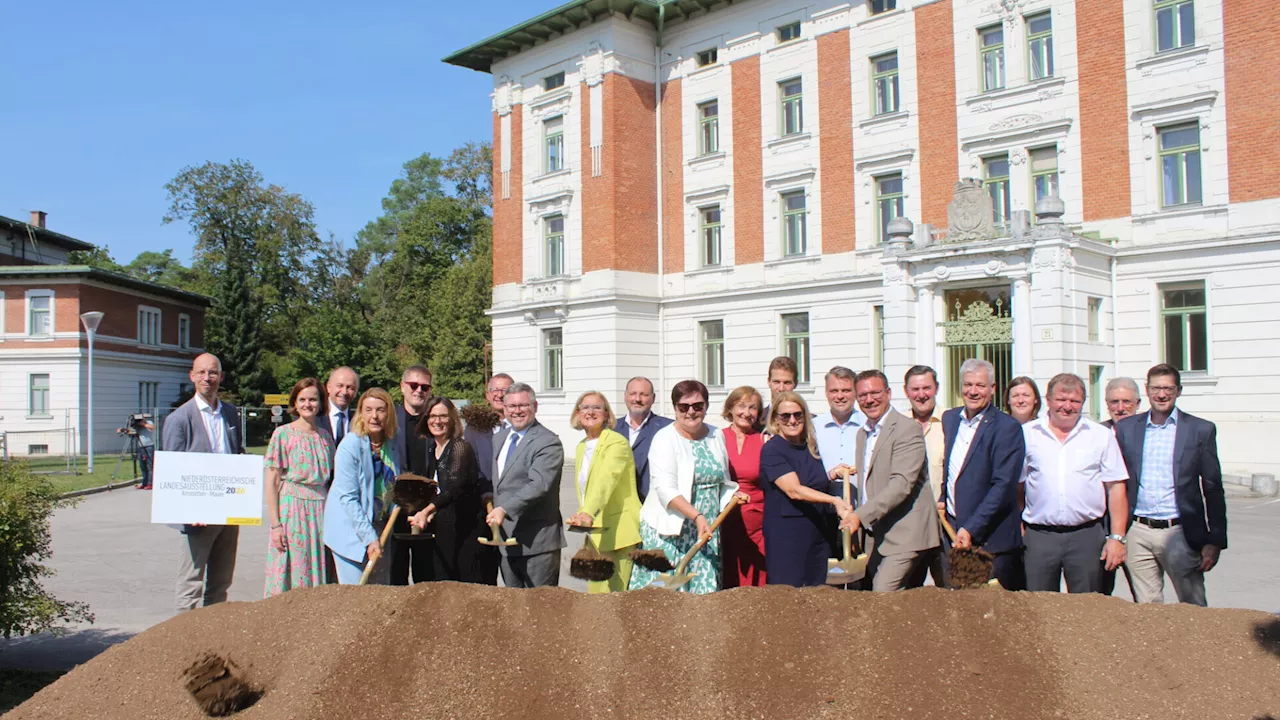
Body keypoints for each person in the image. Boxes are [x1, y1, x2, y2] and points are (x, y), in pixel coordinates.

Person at [1115, 364, 1227, 606]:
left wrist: (1214, 540)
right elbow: (1117, 484)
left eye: (1168, 388)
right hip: (1138, 531)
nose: (1162, 394)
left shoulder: (1200, 430)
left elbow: (1213, 488)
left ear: (1178, 391)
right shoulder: (1126, 429)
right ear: (1146, 390)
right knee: (1148, 610)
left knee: (1193, 608)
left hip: (1180, 532)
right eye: (1156, 388)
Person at [630, 380, 743, 593]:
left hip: (706, 528)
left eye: (698, 406)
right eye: (684, 407)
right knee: (665, 595)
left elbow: (721, 480)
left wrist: (733, 494)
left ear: (706, 407)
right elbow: (665, 490)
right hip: (670, 529)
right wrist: (696, 516)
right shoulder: (665, 438)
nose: (691, 412)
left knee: (702, 593)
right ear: (675, 408)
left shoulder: (715, 435)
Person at [1020, 373, 1128, 594]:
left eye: (1075, 401)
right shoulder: (1027, 434)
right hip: (1040, 537)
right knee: (1039, 608)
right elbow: (1018, 485)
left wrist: (1117, 538)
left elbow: (1116, 488)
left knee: (1087, 610)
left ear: (1083, 403)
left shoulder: (1101, 435)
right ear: (1048, 400)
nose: (1067, 407)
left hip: (1086, 537)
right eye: (1061, 399)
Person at [838, 370, 941, 592]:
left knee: (883, 593)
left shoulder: (907, 429)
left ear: (888, 393)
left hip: (907, 531)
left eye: (875, 393)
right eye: (863, 395)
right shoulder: (862, 434)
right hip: (877, 533)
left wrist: (860, 516)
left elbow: (901, 484)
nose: (869, 399)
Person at [162, 353, 246, 611]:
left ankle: (212, 639)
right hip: (197, 516)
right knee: (190, 585)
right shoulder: (179, 419)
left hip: (229, 512)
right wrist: (187, 512)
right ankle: (184, 644)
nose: (207, 378)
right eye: (201, 373)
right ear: (192, 376)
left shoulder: (231, 414)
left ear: (221, 377)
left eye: (212, 373)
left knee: (220, 584)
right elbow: (171, 470)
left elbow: (237, 455)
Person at [939, 359, 1027, 591]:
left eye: (980, 385)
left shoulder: (1007, 428)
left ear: (993, 389)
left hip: (991, 540)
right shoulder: (950, 419)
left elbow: (1003, 486)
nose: (973, 391)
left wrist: (971, 528)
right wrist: (943, 499)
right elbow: (951, 469)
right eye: (968, 385)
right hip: (954, 534)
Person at [760, 392, 850, 587]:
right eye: (785, 416)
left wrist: (830, 475)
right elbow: (794, 490)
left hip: (818, 533)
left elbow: (809, 481)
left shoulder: (809, 446)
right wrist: (834, 500)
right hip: (788, 537)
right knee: (790, 597)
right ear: (776, 419)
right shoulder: (772, 450)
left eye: (798, 415)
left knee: (819, 595)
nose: (792, 420)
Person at [488, 383, 566, 588]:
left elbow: (539, 484)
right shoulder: (499, 438)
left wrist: (505, 508)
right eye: (512, 406)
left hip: (538, 542)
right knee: (513, 608)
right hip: (506, 539)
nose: (517, 411)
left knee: (540, 610)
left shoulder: (548, 442)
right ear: (504, 409)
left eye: (523, 405)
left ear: (535, 406)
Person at [263, 378, 335, 596]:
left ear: (321, 403)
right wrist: (276, 525)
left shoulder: (325, 437)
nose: (307, 404)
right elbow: (272, 480)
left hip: (320, 510)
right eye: (302, 399)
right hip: (292, 509)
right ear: (295, 403)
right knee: (294, 565)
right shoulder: (283, 434)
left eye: (312, 399)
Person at [408, 397, 490, 583]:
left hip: (465, 531)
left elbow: (453, 487)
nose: (437, 421)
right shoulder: (432, 449)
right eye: (433, 416)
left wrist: (427, 510)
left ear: (452, 419)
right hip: (443, 529)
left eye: (443, 416)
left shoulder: (460, 447)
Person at [567, 391, 642, 593]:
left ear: (607, 414)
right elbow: (587, 489)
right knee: (597, 600)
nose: (590, 412)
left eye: (597, 407)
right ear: (577, 413)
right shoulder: (582, 447)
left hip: (618, 532)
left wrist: (587, 513)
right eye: (585, 407)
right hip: (595, 533)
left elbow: (605, 481)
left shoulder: (616, 443)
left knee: (617, 600)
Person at [324, 388, 400, 585]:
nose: (374, 416)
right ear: (361, 413)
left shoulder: (391, 443)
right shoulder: (350, 446)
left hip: (380, 527)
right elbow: (348, 499)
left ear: (389, 413)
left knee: (379, 596)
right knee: (356, 599)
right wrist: (369, 538)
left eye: (380, 410)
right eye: (368, 410)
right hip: (351, 530)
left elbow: (393, 484)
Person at [459, 372, 512, 585]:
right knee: (484, 577)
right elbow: (471, 465)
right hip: (484, 509)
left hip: (514, 511)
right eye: (495, 390)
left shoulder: (521, 427)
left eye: (505, 390)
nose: (499, 394)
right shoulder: (474, 429)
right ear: (487, 395)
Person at [389, 365, 434, 585]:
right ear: (402, 387)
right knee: (395, 573)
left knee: (425, 575)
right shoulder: (389, 419)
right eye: (413, 385)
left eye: (424, 387)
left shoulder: (436, 420)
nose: (419, 391)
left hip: (427, 510)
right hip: (394, 509)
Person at [903, 365, 946, 587]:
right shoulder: (898, 426)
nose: (921, 394)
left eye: (927, 388)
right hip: (910, 523)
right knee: (910, 596)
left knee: (952, 591)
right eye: (915, 389)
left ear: (936, 388)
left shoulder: (951, 422)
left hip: (944, 522)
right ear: (906, 391)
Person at [720, 386, 767, 587]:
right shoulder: (716, 438)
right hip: (724, 519)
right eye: (741, 406)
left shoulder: (764, 440)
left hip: (756, 522)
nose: (746, 413)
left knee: (756, 584)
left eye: (753, 408)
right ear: (730, 408)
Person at [1100, 375, 1142, 598]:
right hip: (1102, 526)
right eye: (1114, 402)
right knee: (1100, 591)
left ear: (1138, 404)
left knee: (1144, 593)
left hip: (1137, 525)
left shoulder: (1148, 433)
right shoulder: (1096, 434)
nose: (1120, 408)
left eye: (1127, 402)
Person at [614, 376, 673, 502]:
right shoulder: (611, 429)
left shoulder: (668, 428)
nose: (637, 399)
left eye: (644, 394)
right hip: (619, 507)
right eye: (632, 394)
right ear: (625, 396)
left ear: (653, 398)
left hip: (655, 505)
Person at [318, 366, 359, 446]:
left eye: (350, 387)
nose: (344, 392)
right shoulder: (315, 417)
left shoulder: (359, 421)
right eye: (340, 386)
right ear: (329, 387)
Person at [761, 356, 799, 426]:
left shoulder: (808, 422)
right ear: (769, 382)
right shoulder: (756, 420)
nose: (781, 389)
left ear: (795, 384)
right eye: (777, 382)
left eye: (787, 383)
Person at [131, 416, 156, 490]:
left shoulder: (148, 422)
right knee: (143, 466)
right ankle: (144, 483)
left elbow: (152, 427)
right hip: (141, 447)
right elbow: (132, 432)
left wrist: (143, 424)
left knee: (150, 465)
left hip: (149, 446)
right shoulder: (137, 426)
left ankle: (150, 483)